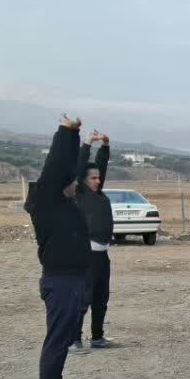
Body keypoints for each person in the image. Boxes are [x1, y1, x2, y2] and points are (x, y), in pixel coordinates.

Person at [29, 115, 92, 379]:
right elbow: (56, 167)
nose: (75, 182)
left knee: (65, 337)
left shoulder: (64, 203)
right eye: (69, 181)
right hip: (60, 280)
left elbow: (71, 170)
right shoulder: (46, 201)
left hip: (73, 278)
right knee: (57, 338)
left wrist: (78, 138)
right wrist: (65, 132)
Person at [73, 130, 115, 351]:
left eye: (99, 178)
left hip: (102, 255)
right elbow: (80, 165)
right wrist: (88, 143)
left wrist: (105, 146)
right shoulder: (80, 193)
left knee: (101, 297)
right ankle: (73, 339)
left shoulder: (98, 194)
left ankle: (97, 337)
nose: (98, 181)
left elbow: (101, 166)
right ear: (83, 179)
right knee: (83, 298)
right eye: (93, 178)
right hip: (86, 255)